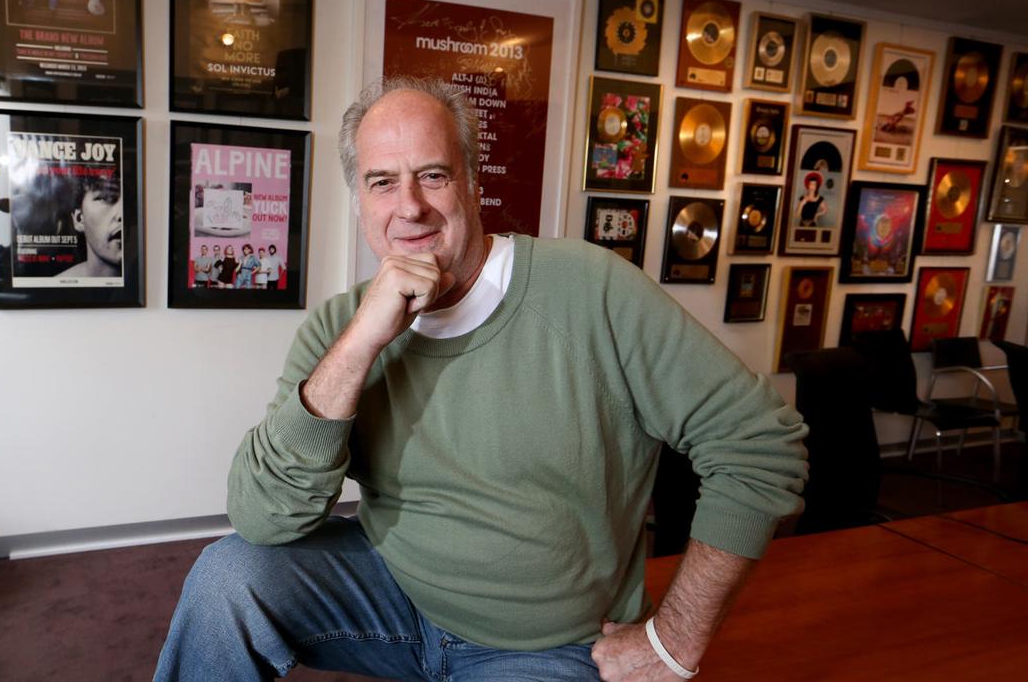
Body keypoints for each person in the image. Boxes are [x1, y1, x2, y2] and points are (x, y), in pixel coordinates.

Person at [154, 77, 808, 682]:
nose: (408, 207)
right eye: (382, 182)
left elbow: (759, 444)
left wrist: (677, 638)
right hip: (396, 593)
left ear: (472, 183)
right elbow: (262, 517)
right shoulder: (342, 325)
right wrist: (361, 344)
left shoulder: (588, 288)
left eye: (432, 175)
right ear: (360, 202)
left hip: (547, 641)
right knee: (228, 575)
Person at [54, 174, 122, 278]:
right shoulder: (56, 289)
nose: (121, 214)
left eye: (130, 201)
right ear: (79, 219)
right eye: (107, 198)